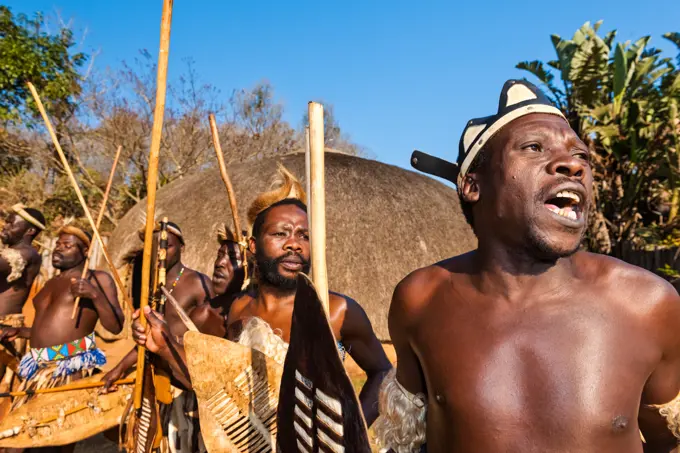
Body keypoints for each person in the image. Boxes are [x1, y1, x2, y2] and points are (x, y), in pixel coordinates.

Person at [375, 80, 680, 453]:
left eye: (581, 156)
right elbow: (408, 441)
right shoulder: (421, 300)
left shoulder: (647, 304)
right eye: (534, 147)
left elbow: (668, 442)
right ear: (472, 184)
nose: (572, 165)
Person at [131, 166, 392, 426]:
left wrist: (350, 433)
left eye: (304, 235)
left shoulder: (337, 311)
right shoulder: (240, 310)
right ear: (253, 246)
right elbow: (217, 387)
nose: (294, 244)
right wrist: (165, 346)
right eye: (280, 233)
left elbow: (381, 372)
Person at [101, 221, 213, 453]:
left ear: (182, 246)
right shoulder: (152, 289)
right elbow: (151, 340)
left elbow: (211, 340)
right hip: (154, 381)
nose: (159, 254)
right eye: (153, 248)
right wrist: (120, 368)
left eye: (167, 246)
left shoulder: (198, 283)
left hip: (184, 385)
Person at [0, 225, 122, 414]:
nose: (59, 248)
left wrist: (95, 295)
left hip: (69, 369)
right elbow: (50, 331)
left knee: (33, 440)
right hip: (38, 370)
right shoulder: (50, 284)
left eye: (67, 245)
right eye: (58, 244)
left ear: (85, 251)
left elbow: (115, 326)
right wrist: (20, 332)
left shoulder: (97, 279)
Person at [0, 205, 45, 385]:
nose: (5, 226)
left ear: (30, 230)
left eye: (11, 224)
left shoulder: (27, 254)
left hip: (4, 328)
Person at [190, 224, 247, 338]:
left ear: (251, 266)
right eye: (219, 255)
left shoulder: (263, 316)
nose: (219, 263)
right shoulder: (203, 316)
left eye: (233, 258)